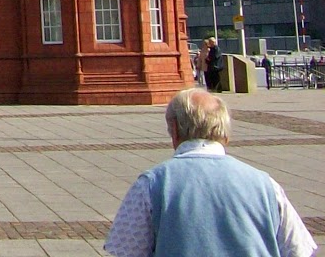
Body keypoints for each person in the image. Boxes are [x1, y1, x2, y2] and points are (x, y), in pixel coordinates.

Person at [103, 87, 316, 257]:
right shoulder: (266, 185)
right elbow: (299, 249)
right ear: (225, 132)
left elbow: (126, 249)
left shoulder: (152, 184)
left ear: (174, 130)